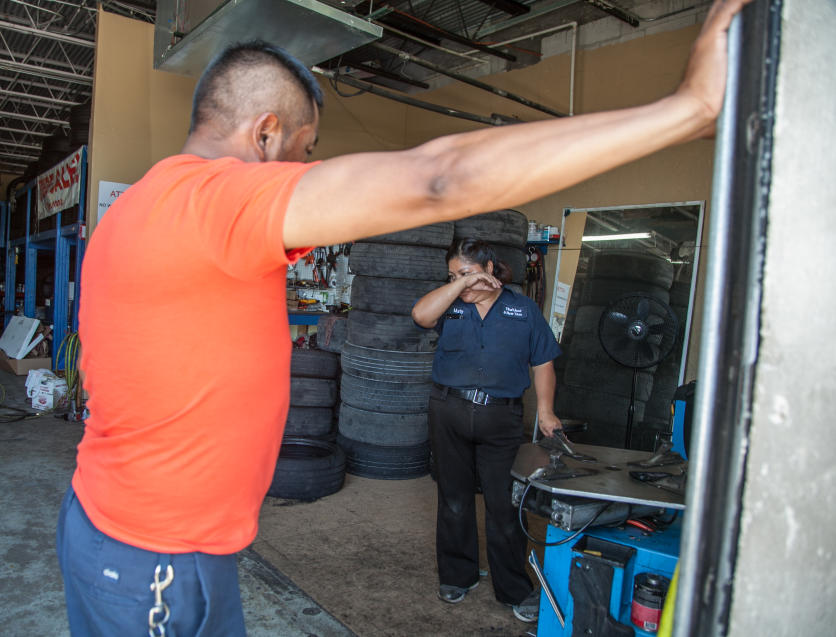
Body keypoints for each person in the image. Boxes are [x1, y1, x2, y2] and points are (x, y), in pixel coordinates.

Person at [57, 1, 751, 634]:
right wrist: (688, 109)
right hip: (151, 552)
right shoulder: (214, 202)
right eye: (304, 151)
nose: (309, 167)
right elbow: (437, 180)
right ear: (265, 135)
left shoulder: (151, 205)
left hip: (137, 527)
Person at [411, 238, 561, 622]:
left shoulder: (522, 309)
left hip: (501, 418)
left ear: (490, 268)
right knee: (455, 499)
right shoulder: (450, 304)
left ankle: (513, 586)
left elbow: (543, 361)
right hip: (449, 410)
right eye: (452, 274)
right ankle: (458, 574)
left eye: (467, 272)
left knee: (504, 505)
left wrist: (545, 410)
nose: (458, 280)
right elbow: (421, 316)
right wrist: (460, 284)